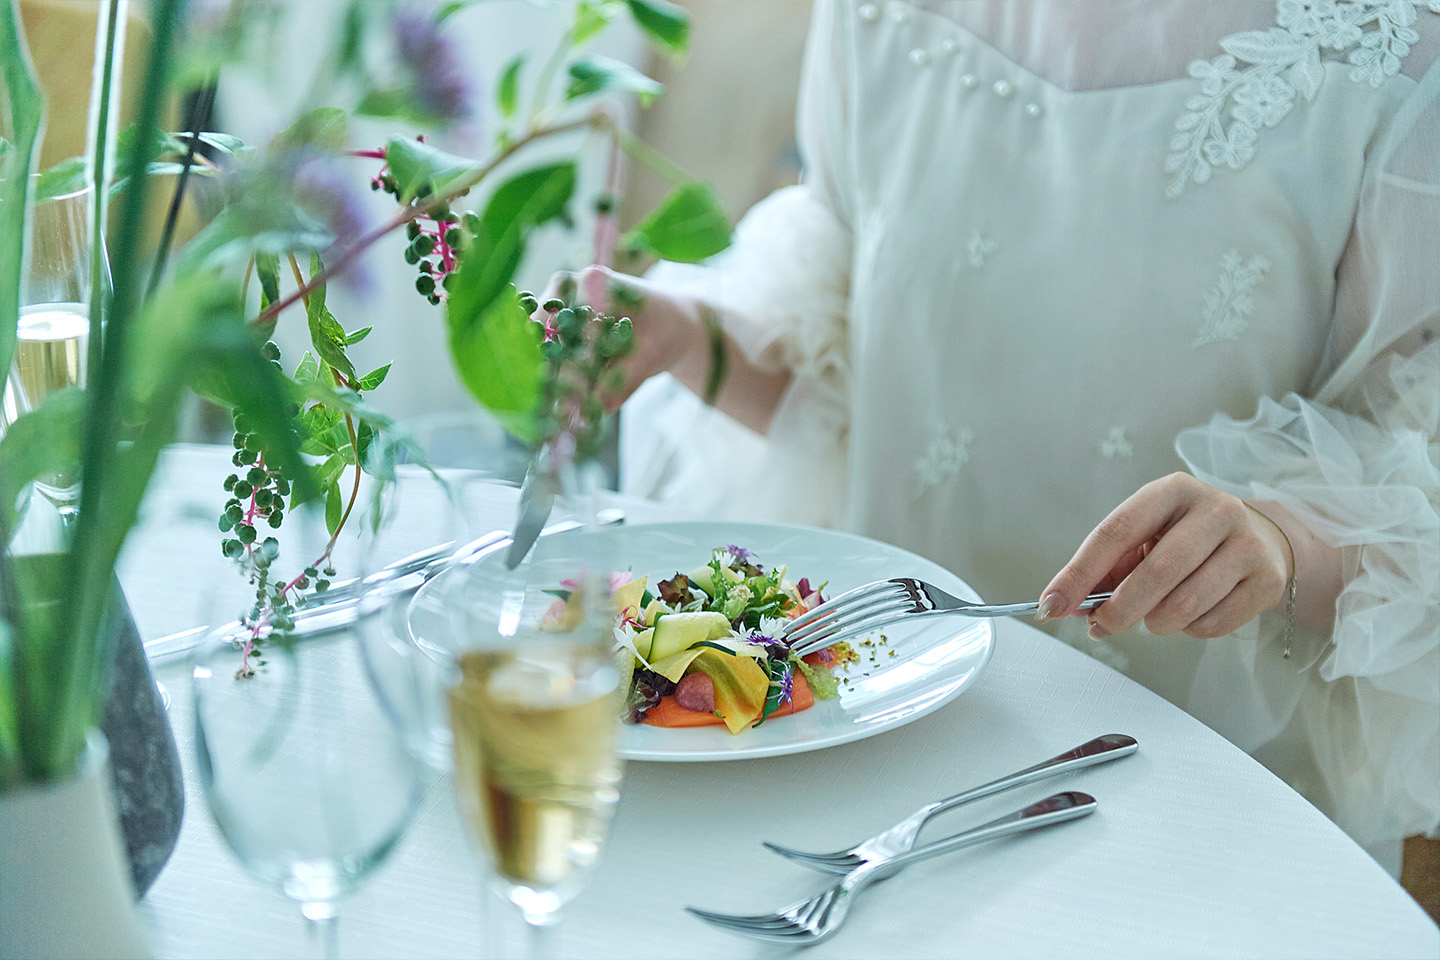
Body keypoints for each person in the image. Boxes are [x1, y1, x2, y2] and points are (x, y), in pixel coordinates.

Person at [542, 0, 1439, 874]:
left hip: (1194, 790)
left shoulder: (1393, 54)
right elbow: (858, 342)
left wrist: (1278, 543)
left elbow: (1414, 482)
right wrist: (690, 342)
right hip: (877, 752)